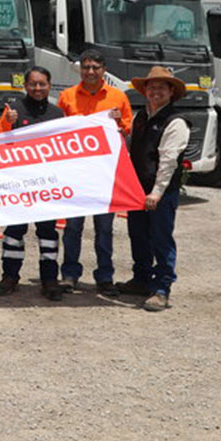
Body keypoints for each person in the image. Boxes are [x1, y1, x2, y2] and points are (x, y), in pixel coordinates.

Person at [56, 49, 133, 296]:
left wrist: (119, 122)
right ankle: (69, 275)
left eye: (95, 67)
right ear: (80, 69)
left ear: (104, 70)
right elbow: (57, 132)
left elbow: (126, 131)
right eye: (86, 67)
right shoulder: (67, 97)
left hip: (104, 176)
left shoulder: (118, 97)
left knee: (104, 229)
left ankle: (105, 277)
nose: (90, 72)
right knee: (73, 228)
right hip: (75, 174)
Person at [0, 67, 65, 301]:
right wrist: (6, 123)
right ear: (25, 85)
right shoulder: (13, 111)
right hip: (17, 184)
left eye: (42, 84)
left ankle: (49, 279)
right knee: (14, 232)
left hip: (46, 184)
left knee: (47, 233)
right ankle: (10, 277)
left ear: (49, 84)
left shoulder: (58, 114)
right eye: (33, 84)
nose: (37, 88)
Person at [121, 67, 190, 312]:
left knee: (160, 239)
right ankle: (141, 279)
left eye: (161, 87)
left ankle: (162, 288)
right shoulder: (141, 117)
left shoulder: (176, 122)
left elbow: (168, 160)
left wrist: (157, 192)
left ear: (171, 91)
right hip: (137, 189)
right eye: (151, 87)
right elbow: (132, 148)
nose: (155, 91)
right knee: (138, 235)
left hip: (159, 192)